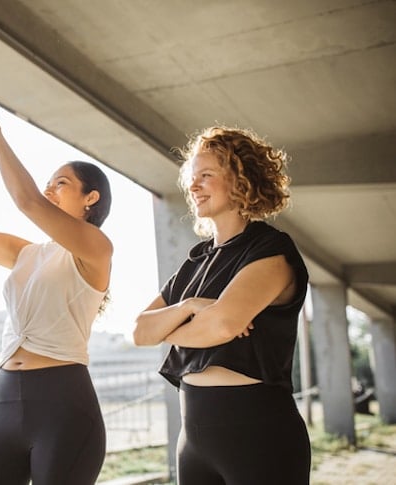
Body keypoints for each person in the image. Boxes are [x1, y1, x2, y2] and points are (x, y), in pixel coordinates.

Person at [0, 101, 113, 485]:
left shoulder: (96, 249)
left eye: (60, 183)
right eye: (48, 182)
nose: (49, 189)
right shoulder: (26, 253)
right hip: (2, 401)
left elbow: (26, 200)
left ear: (91, 198)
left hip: (63, 408)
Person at [132, 126, 311, 484]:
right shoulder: (195, 262)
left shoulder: (269, 249)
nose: (193, 187)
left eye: (206, 176)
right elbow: (140, 331)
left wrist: (180, 326)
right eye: (192, 178)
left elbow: (222, 327)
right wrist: (190, 306)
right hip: (194, 438)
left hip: (258, 434)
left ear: (241, 178)